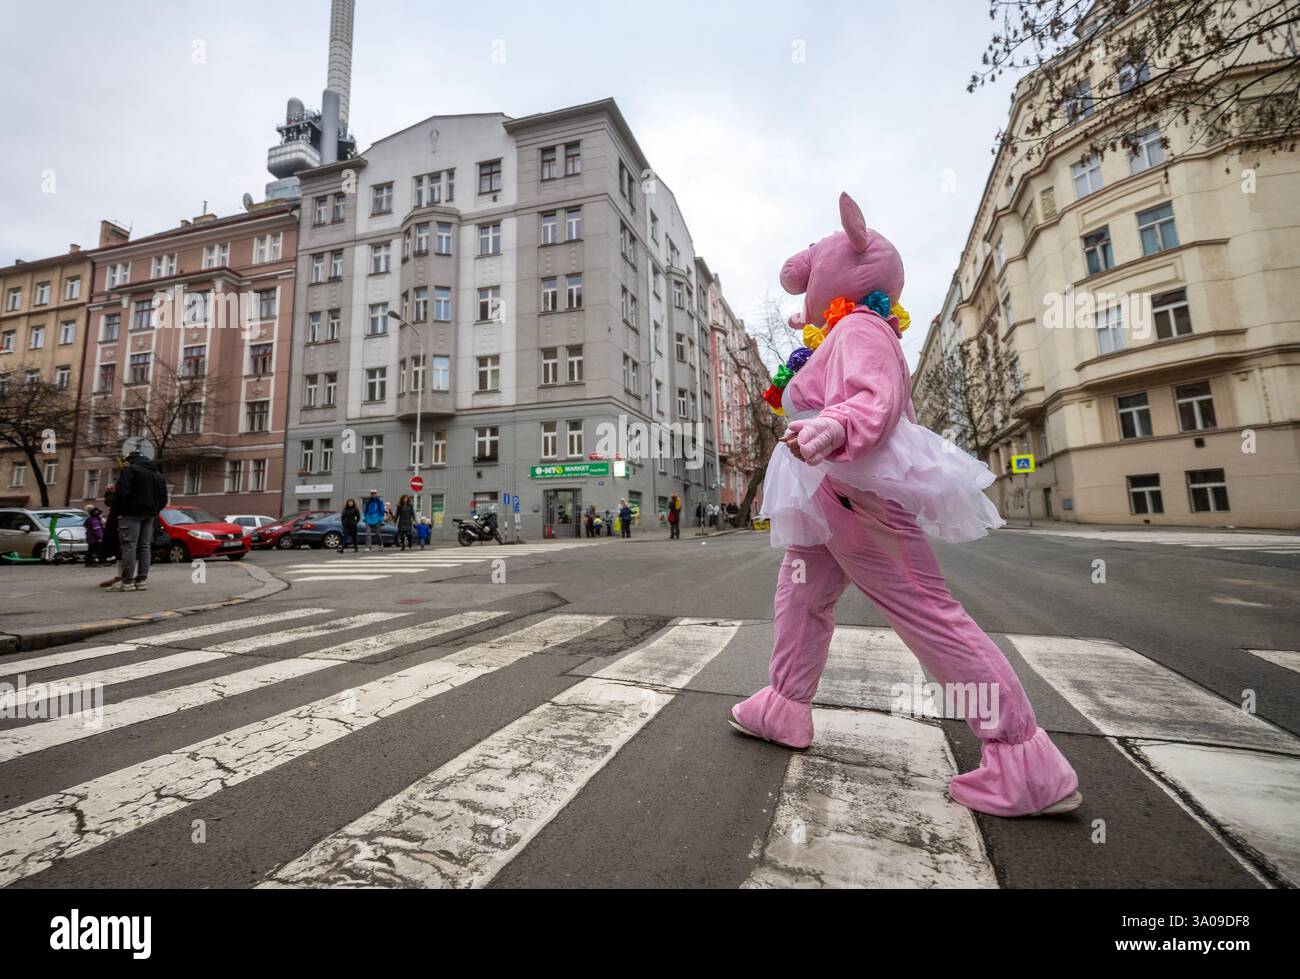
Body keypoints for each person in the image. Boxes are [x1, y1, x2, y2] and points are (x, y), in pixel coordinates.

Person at [729, 193, 1081, 819]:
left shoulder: (861, 327)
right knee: (802, 595)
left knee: (925, 610)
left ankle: (1025, 763)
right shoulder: (840, 331)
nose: (803, 288)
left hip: (849, 482)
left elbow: (876, 396)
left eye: (814, 274)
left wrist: (829, 429)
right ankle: (783, 705)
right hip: (824, 490)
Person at [109, 450, 167, 592]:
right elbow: (163, 498)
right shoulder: (157, 474)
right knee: (145, 547)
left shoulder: (131, 470)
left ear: (131, 459)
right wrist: (155, 510)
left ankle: (127, 581)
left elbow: (122, 492)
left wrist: (119, 511)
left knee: (129, 546)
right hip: (150, 514)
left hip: (131, 514)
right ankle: (141, 580)